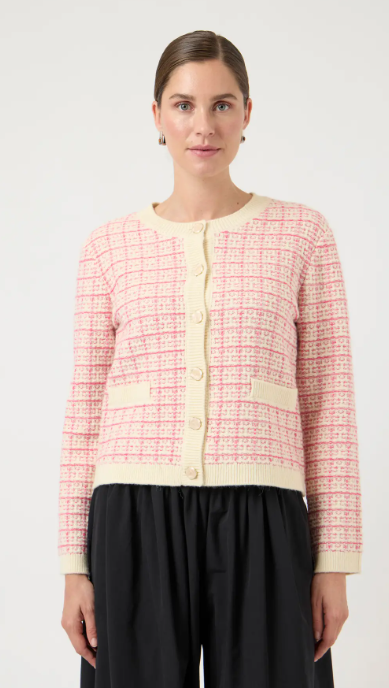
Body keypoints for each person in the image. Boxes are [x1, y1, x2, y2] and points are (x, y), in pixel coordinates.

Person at [58, 29, 363, 688]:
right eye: (184, 105)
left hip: (264, 514)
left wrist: (333, 560)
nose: (204, 125)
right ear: (157, 116)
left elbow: (328, 403)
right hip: (132, 516)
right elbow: (83, 414)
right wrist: (74, 566)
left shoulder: (302, 234)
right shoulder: (108, 248)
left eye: (222, 104)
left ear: (247, 113)